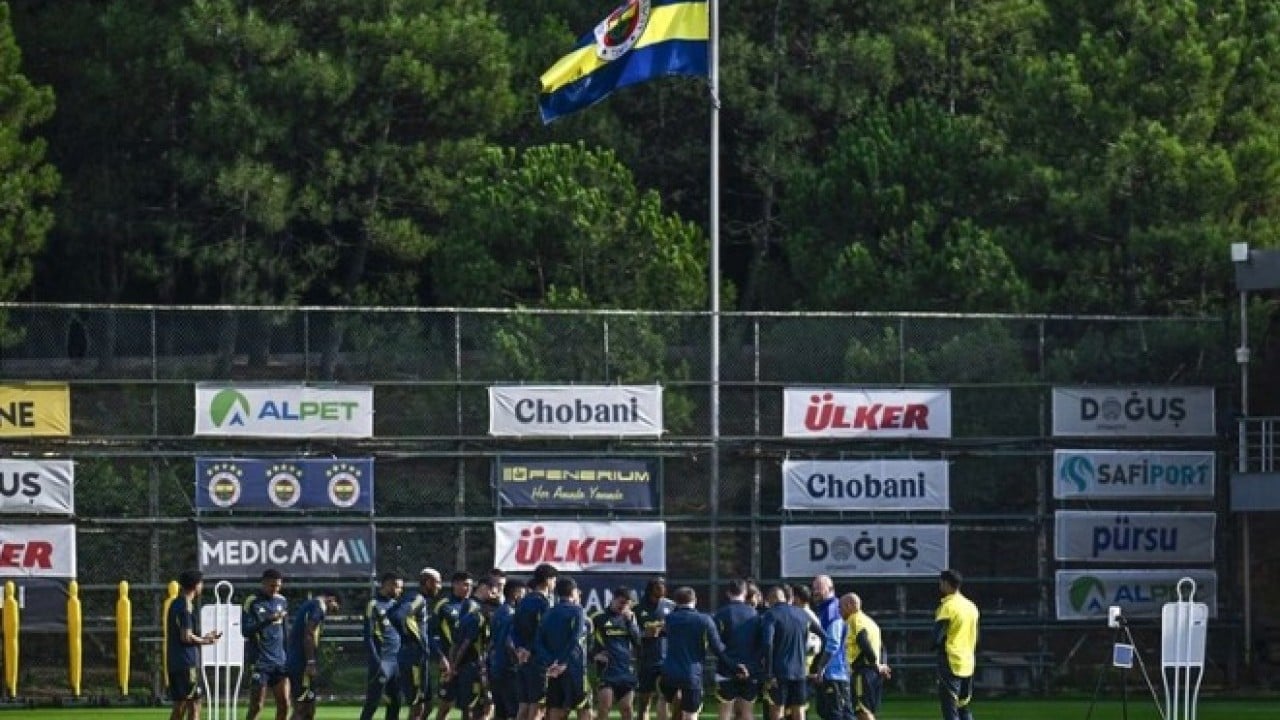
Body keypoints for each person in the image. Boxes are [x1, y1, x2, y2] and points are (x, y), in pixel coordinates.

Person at [659, 587, 747, 720]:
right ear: (695, 600)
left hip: (669, 671)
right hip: (691, 673)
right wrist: (735, 667)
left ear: (676, 601)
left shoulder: (669, 619)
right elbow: (718, 649)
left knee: (664, 701)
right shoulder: (704, 620)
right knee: (691, 713)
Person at [761, 586, 826, 720]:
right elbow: (824, 637)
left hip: (779, 672)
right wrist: (817, 665)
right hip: (800, 672)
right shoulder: (802, 613)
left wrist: (768, 672)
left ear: (772, 598)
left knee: (777, 709)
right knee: (799, 710)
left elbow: (768, 643)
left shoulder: (771, 614)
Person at [167, 570, 222, 720]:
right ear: (196, 585)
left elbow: (185, 634)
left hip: (175, 662)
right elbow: (186, 637)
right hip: (187, 663)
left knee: (181, 704)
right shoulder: (186, 606)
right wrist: (206, 641)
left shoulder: (175, 603)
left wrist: (203, 637)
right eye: (201, 583)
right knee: (193, 704)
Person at [536, 577, 592, 720]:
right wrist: (562, 662)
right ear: (573, 592)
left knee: (556, 709)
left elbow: (538, 642)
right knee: (584, 710)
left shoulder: (548, 613)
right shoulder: (577, 610)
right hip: (574, 668)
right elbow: (575, 638)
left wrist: (551, 663)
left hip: (554, 671)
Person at [395, 568, 445, 720]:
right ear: (428, 582)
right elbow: (399, 616)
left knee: (427, 705)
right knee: (418, 706)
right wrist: (413, 640)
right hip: (412, 659)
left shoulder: (421, 600)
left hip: (421, 659)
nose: (440, 586)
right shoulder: (417, 598)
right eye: (438, 582)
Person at [243, 569, 291, 720]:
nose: (275, 589)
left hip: (280, 661)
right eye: (272, 586)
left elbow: (285, 632)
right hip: (260, 661)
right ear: (263, 583)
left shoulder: (282, 601)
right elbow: (245, 631)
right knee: (257, 706)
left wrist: (288, 656)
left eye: (278, 586)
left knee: (284, 704)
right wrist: (268, 620)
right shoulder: (252, 601)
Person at [287, 589, 341, 720]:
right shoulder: (318, 607)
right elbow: (309, 633)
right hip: (302, 663)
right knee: (303, 708)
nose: (330, 613)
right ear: (331, 599)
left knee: (309, 709)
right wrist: (310, 662)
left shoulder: (309, 605)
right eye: (334, 609)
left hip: (297, 660)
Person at [514, 563, 559, 720]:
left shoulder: (523, 602)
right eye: (554, 580)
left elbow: (515, 629)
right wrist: (531, 649)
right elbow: (543, 632)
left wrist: (520, 649)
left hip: (523, 659)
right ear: (547, 580)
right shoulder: (543, 603)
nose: (554, 584)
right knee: (538, 705)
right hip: (538, 658)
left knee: (524, 704)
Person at [713, 579, 762, 720]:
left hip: (725, 670)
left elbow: (715, 644)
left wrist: (732, 665)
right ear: (745, 592)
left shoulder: (721, 614)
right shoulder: (755, 615)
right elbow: (762, 644)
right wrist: (749, 667)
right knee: (747, 713)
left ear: (728, 593)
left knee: (725, 713)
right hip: (749, 671)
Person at [934, 570, 979, 720]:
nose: (940, 585)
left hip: (951, 660)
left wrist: (933, 646)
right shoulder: (971, 606)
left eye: (941, 582)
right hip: (968, 661)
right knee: (963, 705)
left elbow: (938, 635)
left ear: (946, 584)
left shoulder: (948, 606)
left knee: (950, 708)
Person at [361, 572, 406, 720]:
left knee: (395, 702)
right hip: (382, 661)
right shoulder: (373, 604)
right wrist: (376, 661)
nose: (400, 591)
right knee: (372, 702)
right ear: (388, 585)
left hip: (396, 661)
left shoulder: (395, 605)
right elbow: (368, 637)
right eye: (398, 587)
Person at [591, 587, 641, 720]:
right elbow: (585, 641)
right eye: (621, 602)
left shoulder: (630, 618)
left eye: (627, 603)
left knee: (627, 708)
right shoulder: (598, 617)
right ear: (613, 599)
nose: (623, 606)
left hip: (625, 669)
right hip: (606, 670)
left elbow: (638, 642)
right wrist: (594, 655)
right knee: (604, 707)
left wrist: (630, 623)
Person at [450, 579, 497, 720]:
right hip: (472, 665)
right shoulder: (475, 614)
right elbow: (465, 641)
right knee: (471, 705)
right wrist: (455, 665)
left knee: (483, 704)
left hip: (479, 664)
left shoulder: (480, 615)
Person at [437, 571, 482, 720]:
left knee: (468, 707)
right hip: (449, 663)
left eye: (470, 585)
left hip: (468, 663)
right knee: (444, 706)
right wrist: (441, 656)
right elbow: (429, 633)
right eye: (465, 584)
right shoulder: (444, 605)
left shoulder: (475, 606)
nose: (469, 588)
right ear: (455, 584)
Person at [840, 594, 889, 720]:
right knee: (866, 711)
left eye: (841, 607)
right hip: (873, 673)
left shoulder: (854, 619)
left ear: (850, 606)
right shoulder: (871, 622)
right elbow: (882, 647)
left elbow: (863, 640)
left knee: (862, 711)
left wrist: (874, 663)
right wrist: (882, 665)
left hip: (863, 673)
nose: (839, 611)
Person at [634, 577, 674, 720]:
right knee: (644, 702)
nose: (663, 589)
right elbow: (631, 633)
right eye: (659, 586)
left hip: (666, 659)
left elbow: (678, 630)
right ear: (651, 589)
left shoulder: (671, 606)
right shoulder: (638, 608)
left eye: (664, 586)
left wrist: (664, 628)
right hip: (646, 660)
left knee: (666, 698)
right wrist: (644, 634)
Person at [491, 579, 528, 720]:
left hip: (496, 666)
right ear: (516, 594)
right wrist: (517, 662)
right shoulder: (512, 614)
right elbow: (509, 642)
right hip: (508, 668)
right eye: (523, 594)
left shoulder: (499, 611)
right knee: (513, 711)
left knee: (500, 712)